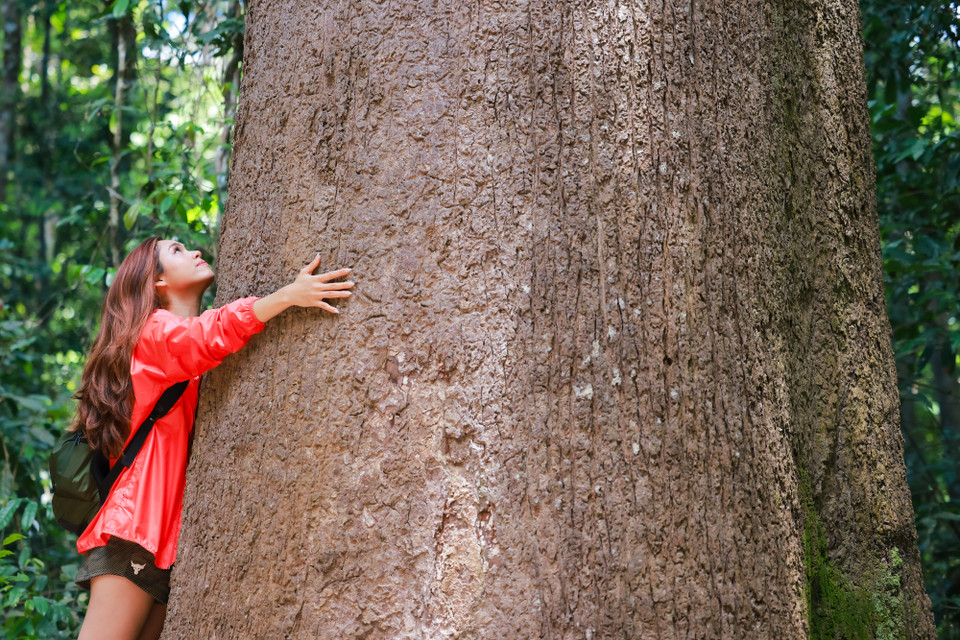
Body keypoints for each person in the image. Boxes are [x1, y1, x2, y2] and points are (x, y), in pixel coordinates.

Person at [71, 236, 354, 640]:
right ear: (157, 282)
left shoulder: (181, 357)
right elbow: (205, 336)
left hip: (163, 544)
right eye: (177, 251)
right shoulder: (152, 333)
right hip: (134, 530)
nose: (195, 252)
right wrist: (288, 296)